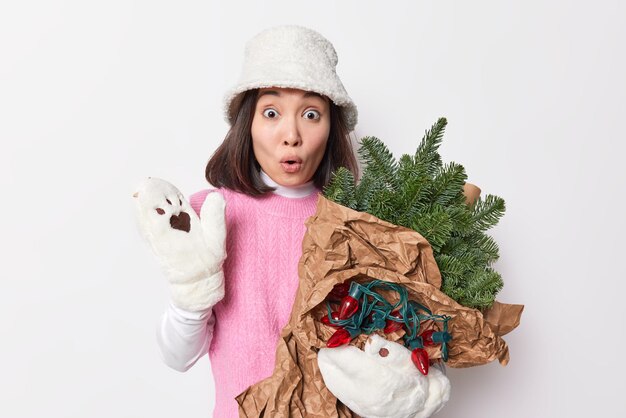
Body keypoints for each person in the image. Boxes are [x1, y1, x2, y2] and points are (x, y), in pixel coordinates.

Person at [146, 25, 359, 417]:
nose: (291, 134)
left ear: (331, 130)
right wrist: (191, 294)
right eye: (272, 112)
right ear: (248, 123)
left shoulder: (357, 227)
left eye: (311, 114)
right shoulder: (210, 215)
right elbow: (177, 358)